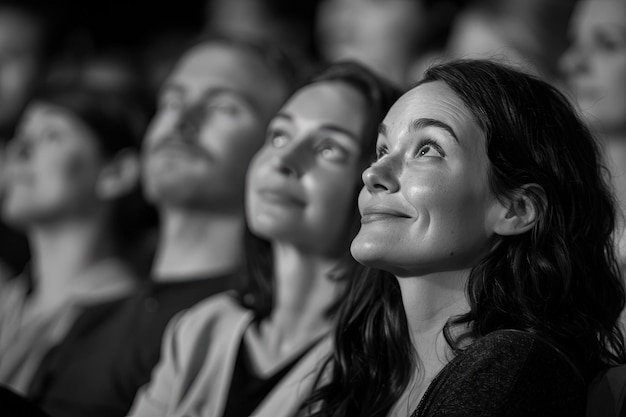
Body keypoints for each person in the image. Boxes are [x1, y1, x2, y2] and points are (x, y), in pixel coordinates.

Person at [303, 59, 626, 417]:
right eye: (382, 149)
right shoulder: (361, 374)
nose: (373, 173)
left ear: (516, 209)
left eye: (427, 149)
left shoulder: (512, 367)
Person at [20, 35, 298, 417]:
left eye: (223, 107)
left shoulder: (249, 334)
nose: (183, 121)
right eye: (172, 101)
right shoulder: (91, 319)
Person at [127, 61, 400, 417]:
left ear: (375, 185)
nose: (283, 160)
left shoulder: (380, 363)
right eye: (279, 136)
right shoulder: (200, 328)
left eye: (329, 149)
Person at [0, 82, 149, 396]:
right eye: (20, 135)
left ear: (116, 173)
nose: (19, 151)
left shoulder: (133, 324)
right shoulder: (9, 303)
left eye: (51, 135)